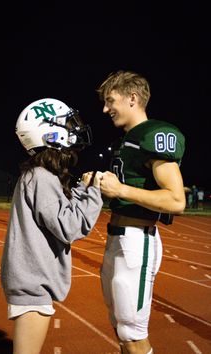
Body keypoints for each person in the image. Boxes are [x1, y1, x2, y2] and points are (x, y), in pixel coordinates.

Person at [0, 98, 103, 354]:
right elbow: (70, 226)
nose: (73, 129)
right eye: (67, 124)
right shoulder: (41, 177)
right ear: (49, 133)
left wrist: (82, 188)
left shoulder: (39, 176)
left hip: (31, 285)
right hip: (32, 287)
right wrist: (94, 192)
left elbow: (61, 213)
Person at [96, 70, 186, 354]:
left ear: (132, 98)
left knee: (132, 333)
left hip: (137, 239)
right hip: (117, 239)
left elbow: (175, 200)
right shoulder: (128, 138)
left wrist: (120, 190)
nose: (105, 109)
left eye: (111, 101)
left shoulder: (153, 134)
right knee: (121, 330)